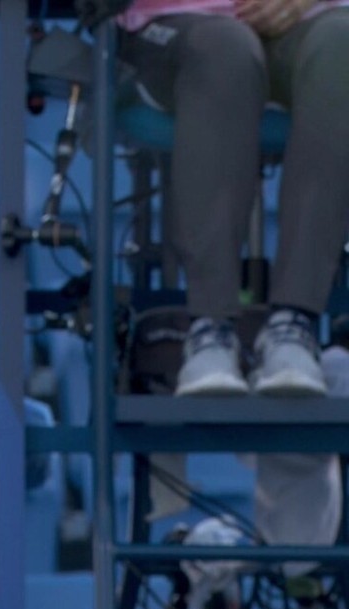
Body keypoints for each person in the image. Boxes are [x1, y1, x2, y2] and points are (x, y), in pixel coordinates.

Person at [116, 0, 349, 397]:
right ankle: (210, 328)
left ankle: (294, 326)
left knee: (342, 42)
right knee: (226, 50)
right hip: (185, 26)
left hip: (305, 21)